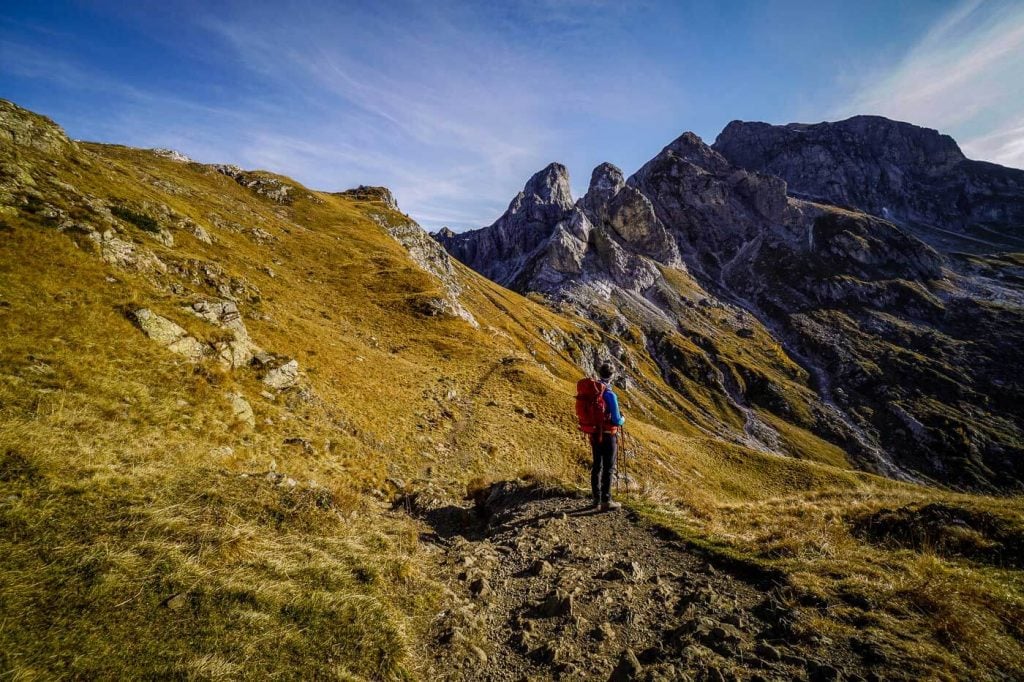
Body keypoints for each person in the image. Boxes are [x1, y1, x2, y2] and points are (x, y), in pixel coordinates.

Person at [591, 363, 625, 511]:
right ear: (612, 376)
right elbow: (617, 420)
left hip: (594, 433)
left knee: (597, 465)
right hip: (608, 435)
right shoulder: (610, 394)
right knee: (608, 467)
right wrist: (623, 419)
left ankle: (595, 499)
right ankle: (606, 500)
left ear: (599, 373)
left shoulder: (593, 390)